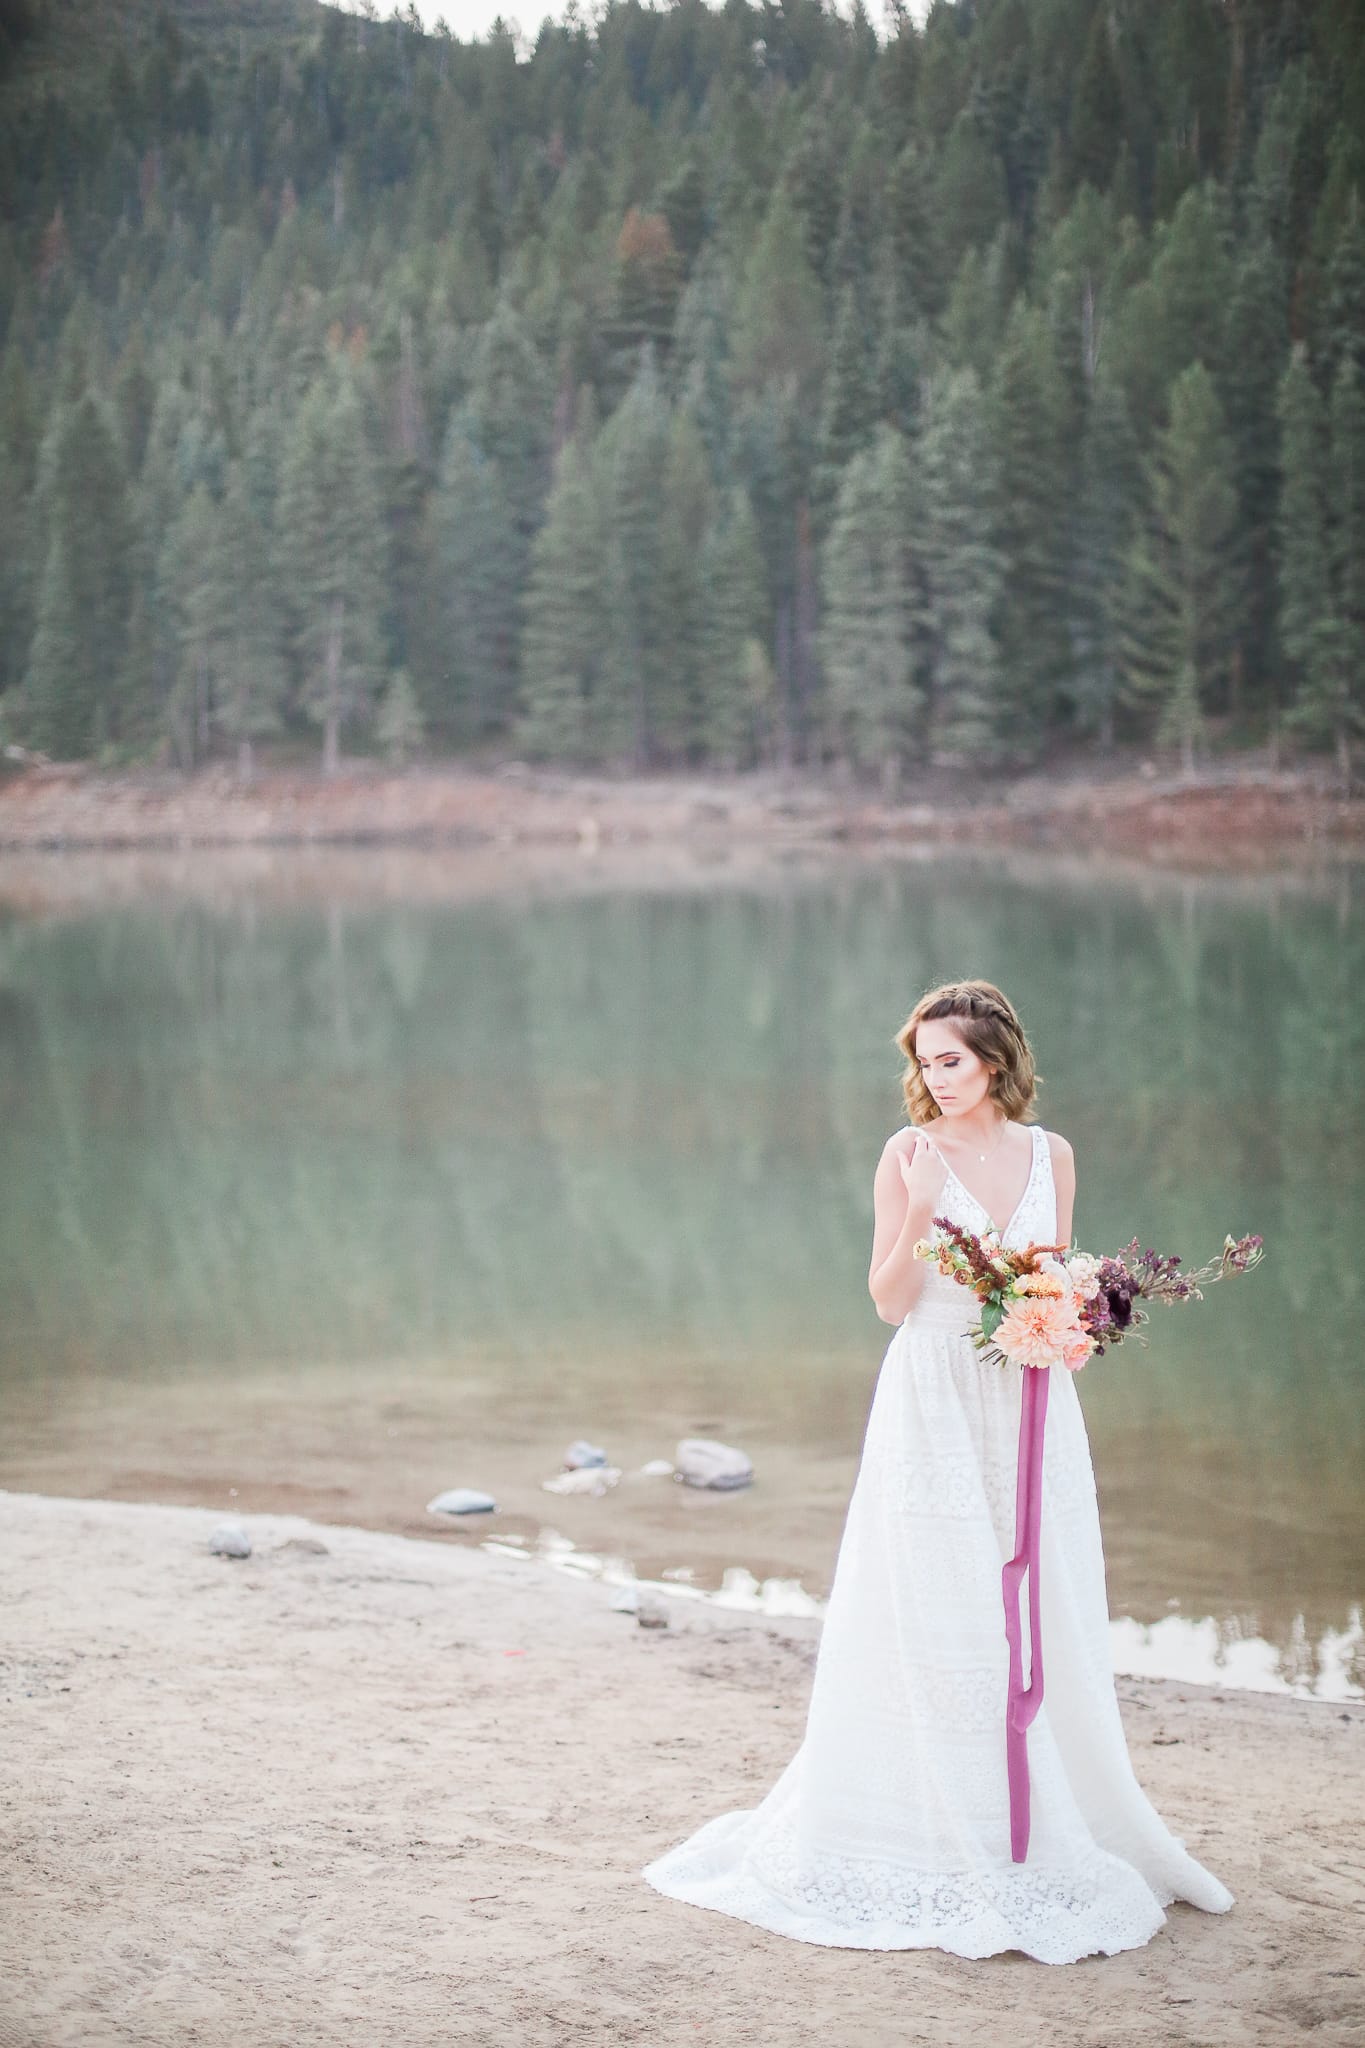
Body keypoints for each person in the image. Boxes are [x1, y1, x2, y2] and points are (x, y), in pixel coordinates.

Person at [641, 977, 1234, 1962]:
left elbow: (1049, 1272)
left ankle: (1048, 1803)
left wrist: (1073, 1319)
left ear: (995, 1059)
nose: (932, 1077)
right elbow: (886, 1298)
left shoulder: (1054, 1154)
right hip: (932, 1391)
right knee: (936, 1598)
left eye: (949, 1059)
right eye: (922, 1061)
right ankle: (937, 1816)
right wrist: (917, 1210)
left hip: (1029, 1392)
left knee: (1039, 1598)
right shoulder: (907, 1156)